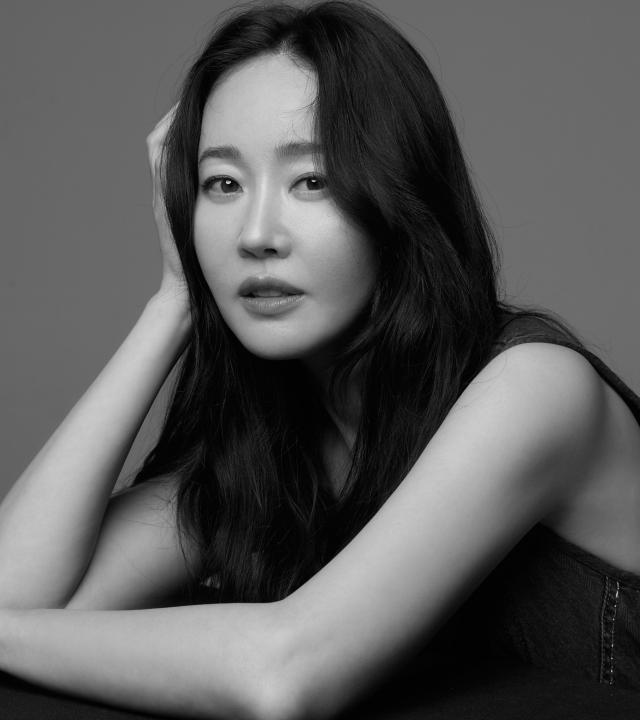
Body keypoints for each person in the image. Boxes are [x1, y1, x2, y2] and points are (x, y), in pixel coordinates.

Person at [1, 0, 639, 717]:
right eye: (222, 184)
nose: (256, 234)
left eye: (312, 180)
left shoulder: (536, 390)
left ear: (398, 200)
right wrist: (174, 302)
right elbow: (20, 595)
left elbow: (284, 673)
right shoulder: (272, 443)